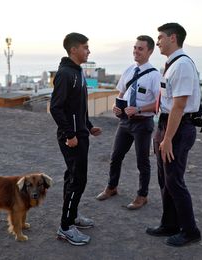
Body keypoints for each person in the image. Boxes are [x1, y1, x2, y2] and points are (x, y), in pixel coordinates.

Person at [145, 23, 202, 247]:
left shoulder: (183, 65)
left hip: (177, 128)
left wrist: (167, 138)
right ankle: (169, 224)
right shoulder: (171, 64)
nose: (157, 41)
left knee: (174, 181)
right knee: (164, 180)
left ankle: (190, 231)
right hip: (165, 125)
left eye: (160, 37)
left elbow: (179, 105)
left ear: (173, 38)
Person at [95, 35, 161, 210]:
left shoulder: (155, 75)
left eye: (140, 48)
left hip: (143, 124)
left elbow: (158, 104)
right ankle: (111, 187)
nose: (136, 51)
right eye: (135, 48)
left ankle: (142, 196)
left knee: (142, 161)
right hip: (125, 122)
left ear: (150, 51)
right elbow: (121, 94)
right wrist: (117, 107)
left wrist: (139, 109)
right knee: (115, 156)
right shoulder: (129, 70)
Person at [50, 32, 102, 246]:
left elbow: (78, 107)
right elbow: (56, 107)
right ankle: (65, 227)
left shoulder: (78, 72)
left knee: (72, 176)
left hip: (80, 133)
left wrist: (88, 126)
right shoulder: (65, 74)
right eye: (85, 47)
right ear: (74, 49)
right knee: (78, 179)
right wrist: (70, 135)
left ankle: (72, 216)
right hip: (71, 137)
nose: (88, 51)